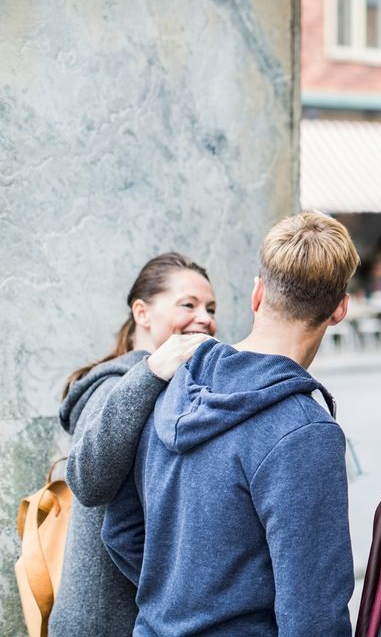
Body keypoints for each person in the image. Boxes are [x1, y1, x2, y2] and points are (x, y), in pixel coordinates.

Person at [102, 212, 360, 635]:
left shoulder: (169, 385)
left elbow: (121, 529)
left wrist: (178, 603)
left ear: (257, 294)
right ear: (339, 309)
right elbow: (313, 611)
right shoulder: (303, 430)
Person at [53, 253, 216, 636]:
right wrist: (152, 371)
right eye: (188, 305)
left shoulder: (169, 386)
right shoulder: (117, 386)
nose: (205, 318)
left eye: (210, 308)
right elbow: (88, 482)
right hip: (104, 624)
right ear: (142, 313)